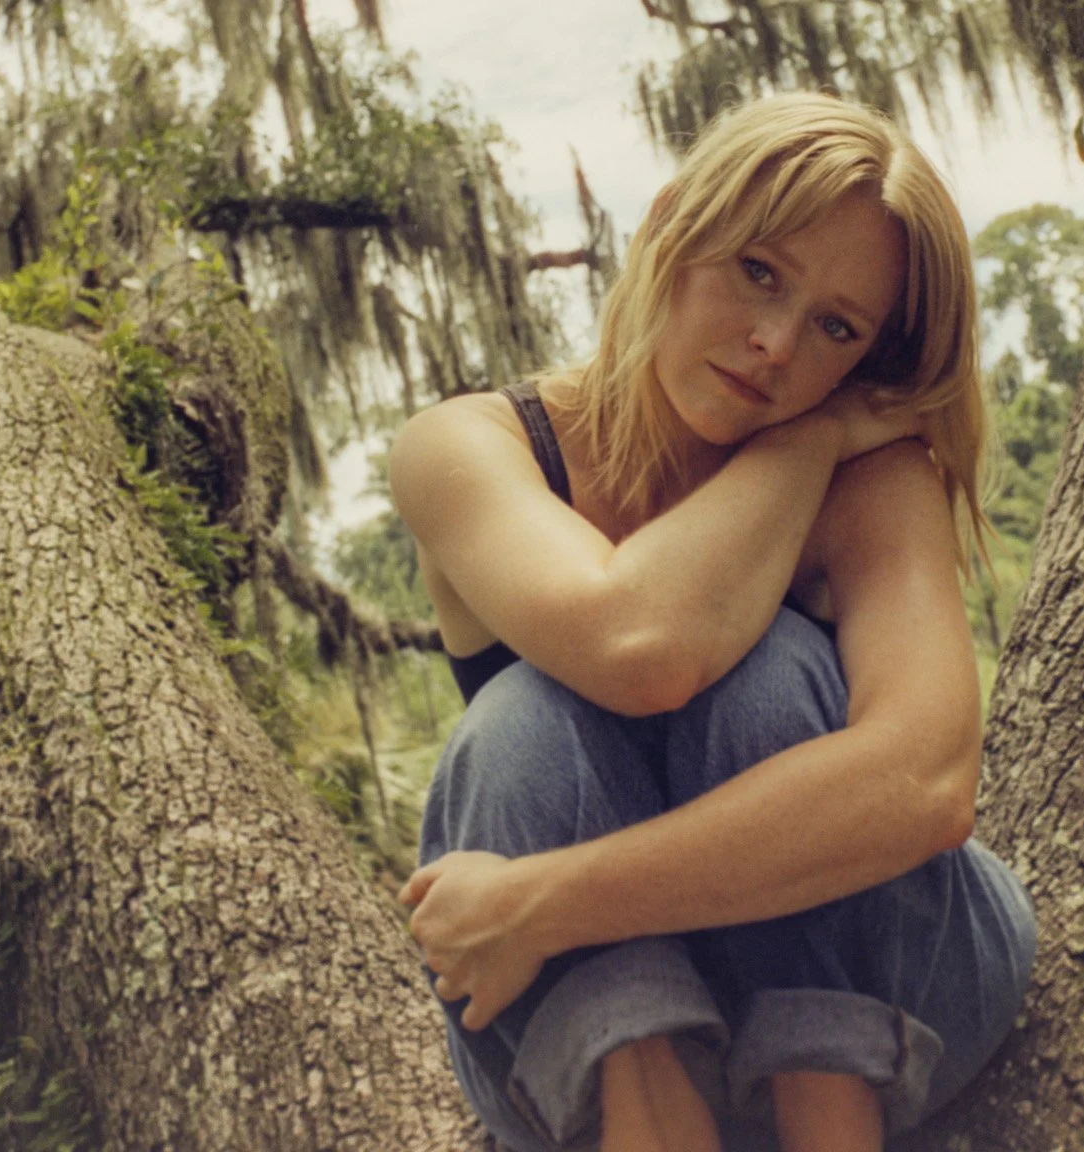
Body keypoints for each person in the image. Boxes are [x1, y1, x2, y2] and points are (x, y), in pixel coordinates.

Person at [388, 93, 1037, 1152]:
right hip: (586, 1038)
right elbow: (631, 643)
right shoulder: (469, 447)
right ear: (668, 224)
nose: (774, 344)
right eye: (758, 273)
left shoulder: (867, 468)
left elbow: (923, 783)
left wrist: (542, 904)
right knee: (522, 726)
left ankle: (826, 1110)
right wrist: (814, 436)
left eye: (835, 328)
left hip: (902, 988)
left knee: (770, 674)